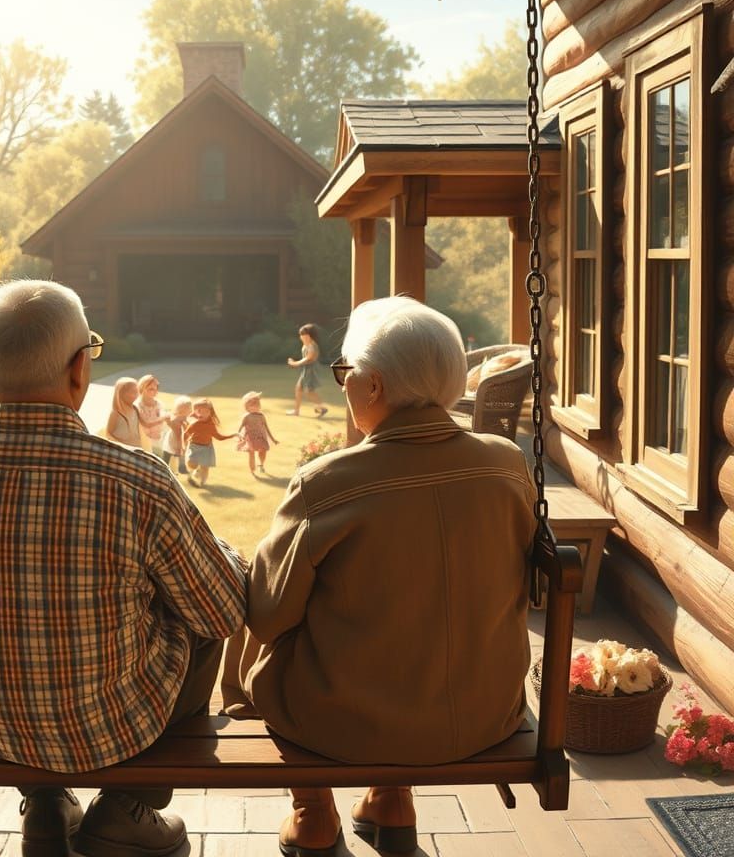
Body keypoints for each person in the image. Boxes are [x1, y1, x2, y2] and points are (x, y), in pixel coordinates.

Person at [0, 280, 247, 857]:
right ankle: (130, 807)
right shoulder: (138, 481)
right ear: (81, 370)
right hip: (115, 727)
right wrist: (223, 555)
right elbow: (222, 613)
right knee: (198, 607)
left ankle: (46, 803)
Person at [222, 296, 536, 856]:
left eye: (345, 372)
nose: (341, 384)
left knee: (257, 634)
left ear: (373, 387)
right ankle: (392, 800)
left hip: (346, 724)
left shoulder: (327, 482)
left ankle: (312, 811)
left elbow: (268, 616)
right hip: (486, 713)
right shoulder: (507, 463)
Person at [183, 397, 235, 488]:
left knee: (205, 467)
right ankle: (195, 470)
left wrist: (232, 435)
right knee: (192, 464)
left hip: (207, 448)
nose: (201, 413)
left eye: (205, 411)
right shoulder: (194, 424)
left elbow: (219, 437)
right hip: (194, 446)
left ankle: (202, 483)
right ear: (195, 411)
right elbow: (186, 434)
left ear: (210, 412)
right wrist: (183, 445)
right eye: (198, 411)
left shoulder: (211, 425)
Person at [286, 323, 327, 417]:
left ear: (309, 335)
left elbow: (309, 358)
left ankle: (322, 408)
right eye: (300, 335)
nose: (301, 337)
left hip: (311, 371)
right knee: (299, 388)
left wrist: (294, 363)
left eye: (303, 335)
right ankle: (296, 411)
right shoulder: (306, 345)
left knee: (309, 391)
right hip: (306, 370)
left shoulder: (312, 345)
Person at [235, 390, 279, 476]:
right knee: (251, 453)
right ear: (247, 407)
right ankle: (252, 470)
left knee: (263, 451)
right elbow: (241, 427)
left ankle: (261, 464)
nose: (255, 406)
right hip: (250, 438)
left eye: (257, 404)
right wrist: (239, 436)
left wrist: (273, 439)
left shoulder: (261, 416)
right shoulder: (246, 417)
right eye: (252, 405)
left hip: (261, 437)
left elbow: (267, 428)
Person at [161, 395, 193, 475]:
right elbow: (176, 430)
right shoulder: (178, 419)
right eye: (181, 411)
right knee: (170, 452)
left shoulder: (185, 419)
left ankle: (181, 468)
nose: (189, 411)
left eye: (188, 409)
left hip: (180, 439)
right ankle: (165, 467)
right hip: (175, 438)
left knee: (178, 453)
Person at [135, 373, 166, 453]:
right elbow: (145, 424)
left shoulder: (158, 404)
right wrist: (161, 419)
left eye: (156, 389)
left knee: (158, 458)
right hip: (143, 440)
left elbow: (162, 417)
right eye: (151, 389)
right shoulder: (138, 405)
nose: (155, 392)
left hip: (157, 439)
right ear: (142, 388)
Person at [105, 376, 141, 446]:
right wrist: (122, 446)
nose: (136, 395)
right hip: (122, 450)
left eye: (137, 391)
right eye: (133, 392)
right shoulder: (116, 413)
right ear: (121, 393)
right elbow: (108, 434)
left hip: (136, 448)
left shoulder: (135, 409)